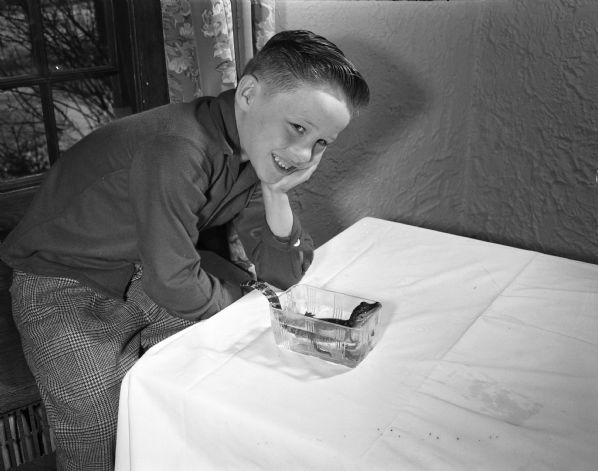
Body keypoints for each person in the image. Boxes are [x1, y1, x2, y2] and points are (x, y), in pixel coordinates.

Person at [0, 29, 369, 470]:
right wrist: (250, 306)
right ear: (249, 94)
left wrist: (276, 192)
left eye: (321, 142)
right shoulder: (178, 148)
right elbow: (175, 281)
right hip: (60, 283)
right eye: (299, 128)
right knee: (97, 425)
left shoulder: (253, 154)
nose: (306, 153)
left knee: (215, 377)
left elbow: (282, 274)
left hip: (144, 272)